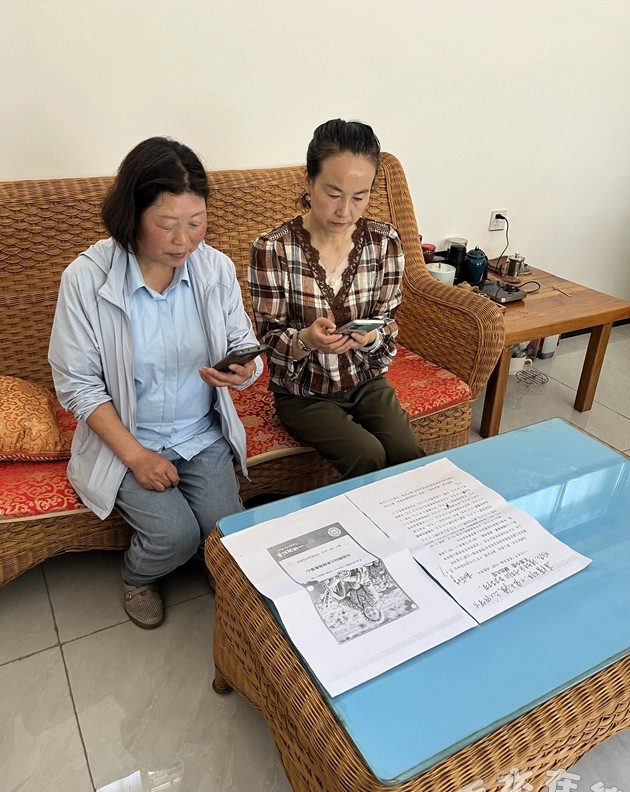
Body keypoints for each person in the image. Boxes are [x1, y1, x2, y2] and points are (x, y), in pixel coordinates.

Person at [49, 137, 262, 629]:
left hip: (199, 432)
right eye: (167, 225)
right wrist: (137, 457)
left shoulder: (215, 268)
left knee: (227, 531)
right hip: (128, 438)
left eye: (196, 222)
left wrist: (243, 371)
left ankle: (210, 555)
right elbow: (78, 385)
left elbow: (243, 343)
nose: (184, 241)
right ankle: (138, 576)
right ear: (131, 215)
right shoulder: (86, 279)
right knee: (174, 536)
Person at [248, 118, 425, 480]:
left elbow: (387, 324)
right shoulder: (273, 248)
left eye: (359, 197)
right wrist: (305, 340)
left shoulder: (385, 242)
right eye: (333, 193)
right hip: (302, 393)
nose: (345, 211)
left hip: (366, 382)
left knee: (409, 456)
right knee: (367, 456)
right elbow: (268, 341)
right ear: (309, 181)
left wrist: (371, 337)